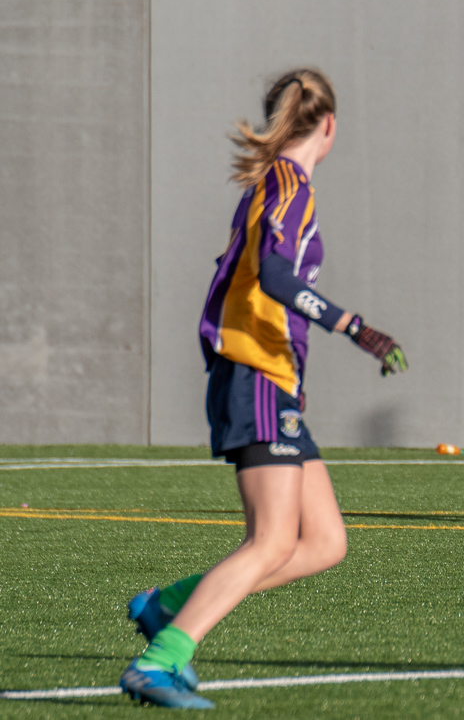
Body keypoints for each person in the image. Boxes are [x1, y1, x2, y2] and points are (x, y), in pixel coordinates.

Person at [119, 68, 407, 709]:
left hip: (268, 377)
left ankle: (166, 607)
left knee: (325, 542)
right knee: (273, 541)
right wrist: (352, 327)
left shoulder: (276, 184)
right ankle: (160, 662)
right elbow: (276, 274)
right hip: (254, 375)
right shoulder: (289, 184)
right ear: (329, 126)